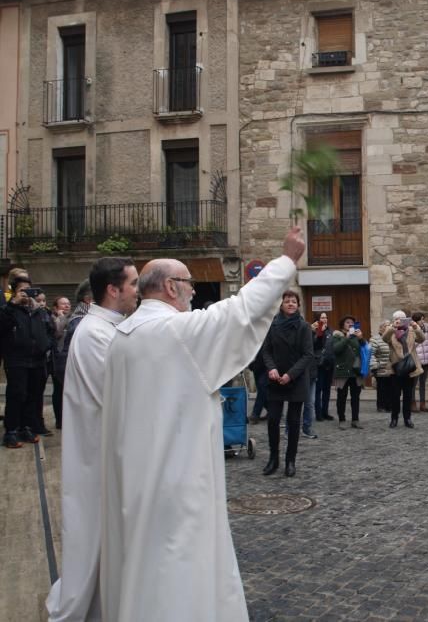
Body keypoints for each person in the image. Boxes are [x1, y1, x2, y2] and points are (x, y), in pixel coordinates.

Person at [99, 226, 305, 622]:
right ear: (172, 287)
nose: (194, 290)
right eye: (190, 283)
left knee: (145, 562)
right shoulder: (172, 331)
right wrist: (286, 261)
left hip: (136, 476)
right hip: (174, 477)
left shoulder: (123, 335)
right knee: (176, 565)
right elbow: (239, 311)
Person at [45, 257, 138, 622]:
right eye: (131, 284)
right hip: (96, 454)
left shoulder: (109, 328)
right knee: (92, 536)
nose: (136, 292)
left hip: (102, 451)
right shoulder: (96, 334)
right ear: (113, 290)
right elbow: (118, 397)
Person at [261, 290, 317, 476]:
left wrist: (290, 375)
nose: (291, 304)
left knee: (294, 422)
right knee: (273, 420)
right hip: (275, 378)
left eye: (294, 301)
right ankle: (273, 459)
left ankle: (290, 461)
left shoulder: (304, 327)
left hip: (297, 379)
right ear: (282, 304)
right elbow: (266, 350)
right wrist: (271, 368)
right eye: (287, 301)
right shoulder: (273, 325)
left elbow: (308, 354)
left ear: (298, 305)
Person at [1, 276, 54, 447]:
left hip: (36, 359)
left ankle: (26, 428)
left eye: (28, 290)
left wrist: (45, 345)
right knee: (17, 394)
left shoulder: (38, 310)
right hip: (17, 359)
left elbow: (49, 329)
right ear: (15, 292)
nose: (26, 294)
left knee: (32, 395)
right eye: (22, 290)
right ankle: (11, 431)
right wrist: (12, 304)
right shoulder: (9, 309)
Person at [384, 310, 425, 428]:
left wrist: (417, 327)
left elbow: (422, 339)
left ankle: (407, 418)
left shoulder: (411, 330)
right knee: (395, 395)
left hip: (409, 367)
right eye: (397, 318)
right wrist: (392, 327)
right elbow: (384, 339)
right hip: (396, 367)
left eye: (402, 318)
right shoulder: (390, 330)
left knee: (408, 395)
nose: (400, 321)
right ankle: (394, 419)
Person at [331, 315, 365, 429]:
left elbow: (365, 349)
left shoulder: (356, 336)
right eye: (347, 322)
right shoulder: (337, 336)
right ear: (342, 325)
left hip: (356, 371)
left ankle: (355, 419)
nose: (350, 324)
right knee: (341, 397)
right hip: (342, 371)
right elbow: (336, 349)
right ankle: (342, 419)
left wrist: (361, 338)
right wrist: (346, 337)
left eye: (352, 322)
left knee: (356, 397)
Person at [49, 296, 72, 429]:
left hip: (68, 357)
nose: (66, 306)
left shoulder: (72, 318)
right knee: (58, 389)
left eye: (68, 304)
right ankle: (60, 420)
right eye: (63, 304)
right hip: (57, 359)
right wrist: (61, 318)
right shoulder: (53, 318)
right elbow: (56, 334)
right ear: (56, 307)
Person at [312, 311, 335, 421]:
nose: (324, 319)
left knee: (327, 389)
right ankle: (318, 413)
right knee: (318, 389)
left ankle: (325, 412)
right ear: (317, 319)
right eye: (322, 317)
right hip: (318, 364)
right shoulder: (314, 330)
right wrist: (319, 333)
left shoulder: (330, 330)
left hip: (328, 364)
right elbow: (314, 345)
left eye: (325, 317)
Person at [369, 320, 392, 412]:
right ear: (381, 328)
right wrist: (376, 365)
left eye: (390, 325)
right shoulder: (375, 339)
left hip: (391, 368)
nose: (389, 327)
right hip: (380, 368)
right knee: (382, 388)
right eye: (387, 325)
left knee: (391, 388)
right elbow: (371, 354)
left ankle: (389, 406)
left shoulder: (392, 338)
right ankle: (381, 406)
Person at [413, 311, 428, 412]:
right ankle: (413, 404)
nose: (422, 321)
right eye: (420, 319)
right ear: (416, 321)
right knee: (413, 383)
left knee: (423, 383)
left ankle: (422, 404)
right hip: (416, 360)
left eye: (423, 319)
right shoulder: (412, 330)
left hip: (426, 360)